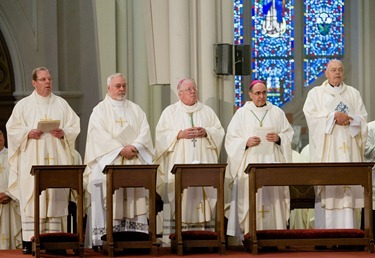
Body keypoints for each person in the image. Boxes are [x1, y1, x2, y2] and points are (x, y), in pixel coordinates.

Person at [6, 67, 80, 254]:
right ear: (34, 82)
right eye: (43, 79)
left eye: (49, 79)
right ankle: (30, 241)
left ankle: (56, 241)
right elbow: (12, 129)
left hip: (56, 160)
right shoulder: (23, 105)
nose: (47, 82)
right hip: (32, 160)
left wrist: (64, 133)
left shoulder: (61, 104)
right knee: (33, 197)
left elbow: (74, 126)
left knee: (55, 197)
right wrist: (27, 133)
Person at [83, 73, 154, 248]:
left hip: (133, 163)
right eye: (117, 86)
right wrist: (120, 150)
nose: (122, 89)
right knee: (104, 191)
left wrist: (135, 146)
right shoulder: (99, 110)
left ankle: (135, 238)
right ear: (108, 88)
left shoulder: (135, 109)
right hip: (109, 164)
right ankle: (104, 240)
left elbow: (145, 132)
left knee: (134, 196)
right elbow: (97, 136)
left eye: (124, 85)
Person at [154, 78, 225, 246]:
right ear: (180, 94)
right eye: (188, 89)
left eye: (194, 88)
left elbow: (219, 131)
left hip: (203, 162)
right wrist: (178, 135)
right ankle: (178, 236)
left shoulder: (207, 111)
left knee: (203, 194)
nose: (193, 91)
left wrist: (206, 132)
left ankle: (205, 236)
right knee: (181, 196)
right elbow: (160, 136)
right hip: (180, 162)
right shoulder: (170, 112)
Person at [303, 59, 368, 229]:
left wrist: (350, 119)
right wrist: (332, 116)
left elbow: (363, 119)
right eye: (333, 70)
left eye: (340, 69)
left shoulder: (353, 93)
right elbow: (311, 117)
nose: (337, 73)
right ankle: (325, 236)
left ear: (343, 72)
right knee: (329, 188)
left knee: (349, 190)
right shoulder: (315, 94)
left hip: (350, 150)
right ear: (326, 73)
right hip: (328, 150)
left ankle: (351, 234)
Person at [225, 79, 293, 237]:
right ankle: (251, 235)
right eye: (257, 93)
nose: (261, 96)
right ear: (250, 95)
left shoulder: (276, 111)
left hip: (272, 160)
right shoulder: (241, 113)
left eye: (264, 92)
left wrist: (279, 138)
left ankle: (275, 236)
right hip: (251, 162)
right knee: (252, 197)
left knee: (274, 197)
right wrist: (245, 142)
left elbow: (288, 134)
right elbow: (231, 138)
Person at [0, 129, 22, 249]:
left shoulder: (12, 156)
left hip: (11, 202)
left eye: (1, 135)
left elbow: (20, 178)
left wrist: (9, 194)